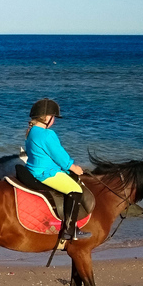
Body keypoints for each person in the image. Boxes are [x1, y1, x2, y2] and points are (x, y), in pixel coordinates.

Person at [24, 98, 90, 240]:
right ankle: (70, 230)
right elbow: (59, 155)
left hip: (32, 169)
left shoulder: (32, 132)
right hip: (45, 172)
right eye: (53, 117)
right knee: (76, 190)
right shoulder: (48, 134)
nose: (54, 120)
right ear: (47, 117)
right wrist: (73, 167)